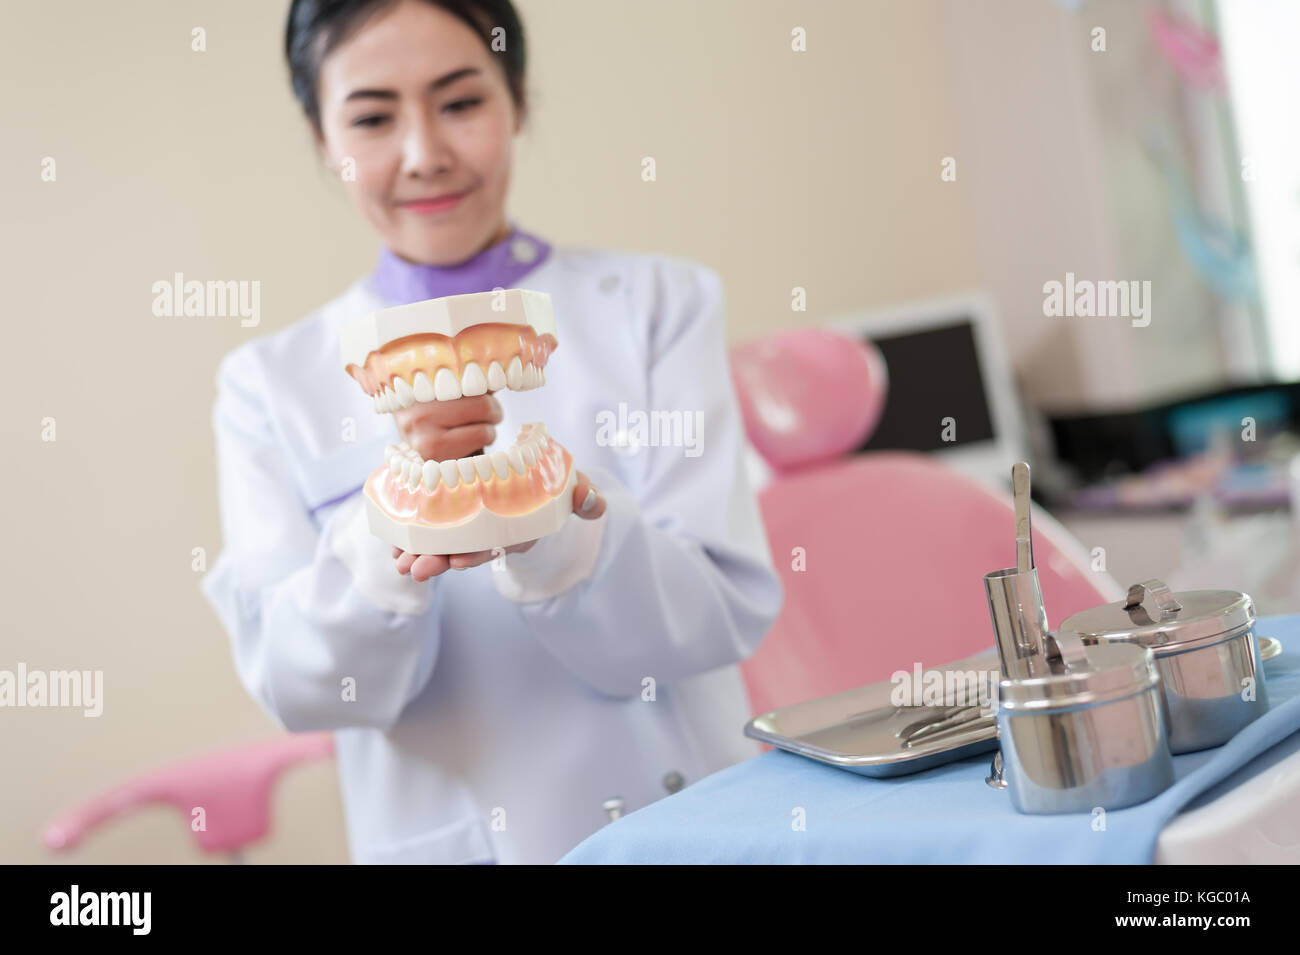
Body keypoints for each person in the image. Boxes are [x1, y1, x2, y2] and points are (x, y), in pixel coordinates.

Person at [201, 0, 783, 864]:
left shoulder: (661, 305)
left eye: (462, 102)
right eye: (371, 117)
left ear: (518, 104)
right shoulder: (268, 385)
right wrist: (392, 524)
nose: (424, 153)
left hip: (693, 822)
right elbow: (301, 684)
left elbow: (719, 610)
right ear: (324, 139)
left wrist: (553, 522)